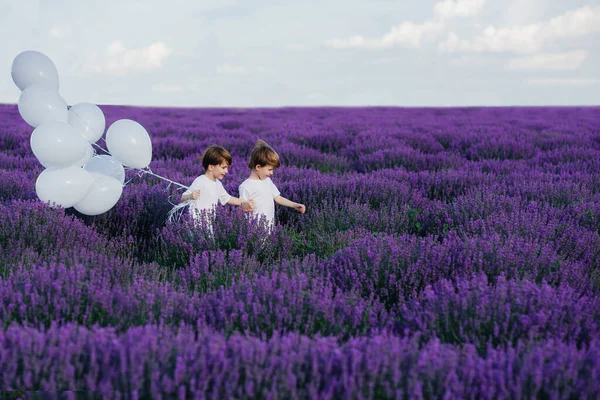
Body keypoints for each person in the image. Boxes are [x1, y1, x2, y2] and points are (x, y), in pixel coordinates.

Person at [238, 139, 305, 230]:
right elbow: (241, 207)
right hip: (253, 231)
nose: (272, 173)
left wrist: (294, 205)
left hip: (269, 227)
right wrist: (244, 206)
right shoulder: (245, 187)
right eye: (270, 169)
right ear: (258, 167)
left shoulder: (267, 181)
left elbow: (278, 198)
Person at [180, 145, 254, 225]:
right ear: (211, 167)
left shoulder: (217, 184)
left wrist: (245, 201)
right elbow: (182, 198)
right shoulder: (200, 181)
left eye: (227, 168)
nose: (226, 171)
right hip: (196, 223)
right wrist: (190, 196)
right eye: (223, 168)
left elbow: (228, 199)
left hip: (209, 224)